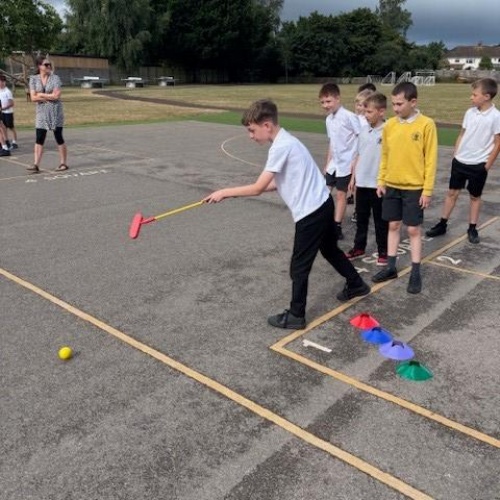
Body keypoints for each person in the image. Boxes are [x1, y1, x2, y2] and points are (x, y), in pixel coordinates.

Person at [203, 99, 370, 329]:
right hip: (323, 205)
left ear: (267, 125)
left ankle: (296, 315)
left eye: (252, 130)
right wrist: (233, 192)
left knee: (299, 267)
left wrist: (224, 192)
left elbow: (258, 188)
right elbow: (276, 183)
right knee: (330, 250)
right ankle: (356, 283)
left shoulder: (281, 147)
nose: (251, 136)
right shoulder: (287, 141)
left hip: (311, 213)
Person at [371, 82, 438, 294]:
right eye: (393, 104)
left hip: (414, 187)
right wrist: (381, 180)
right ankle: (390, 267)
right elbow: (385, 155)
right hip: (392, 184)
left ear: (413, 102)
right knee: (393, 226)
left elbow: (431, 160)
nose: (395, 108)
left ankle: (415, 271)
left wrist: (427, 190)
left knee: (413, 229)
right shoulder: (390, 125)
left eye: (399, 104)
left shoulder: (426, 124)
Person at [426, 78, 500, 244]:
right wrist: (456, 154)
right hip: (460, 161)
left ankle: (472, 228)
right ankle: (442, 224)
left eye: (474, 95)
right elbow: (462, 133)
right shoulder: (469, 112)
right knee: (452, 193)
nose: (471, 97)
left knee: (475, 196)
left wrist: (486, 166)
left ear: (487, 96)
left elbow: (497, 143)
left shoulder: (496, 117)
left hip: (478, 165)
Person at [345, 92, 389, 266]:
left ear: (381, 111)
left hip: (377, 184)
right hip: (362, 182)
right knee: (361, 218)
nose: (365, 115)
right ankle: (359, 247)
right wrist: (353, 178)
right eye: (364, 111)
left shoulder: (388, 130)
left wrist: (384, 181)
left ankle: (383, 250)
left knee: (380, 220)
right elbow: (358, 155)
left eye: (369, 112)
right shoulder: (363, 131)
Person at [319, 83, 361, 240]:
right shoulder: (329, 119)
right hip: (334, 164)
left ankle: (337, 226)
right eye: (323, 102)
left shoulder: (349, 117)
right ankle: (322, 222)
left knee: (341, 195)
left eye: (328, 101)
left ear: (338, 98)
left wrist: (355, 162)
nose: (325, 105)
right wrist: (327, 163)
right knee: (323, 193)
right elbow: (332, 142)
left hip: (347, 164)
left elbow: (360, 138)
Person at [27, 56, 68, 173]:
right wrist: (46, 96)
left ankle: (63, 163)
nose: (49, 66)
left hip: (55, 111)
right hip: (41, 113)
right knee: (39, 137)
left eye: (49, 64)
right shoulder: (33, 79)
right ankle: (36, 164)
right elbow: (33, 98)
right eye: (46, 64)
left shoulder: (55, 78)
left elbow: (56, 96)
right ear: (39, 66)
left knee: (58, 136)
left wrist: (41, 94)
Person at [349, 88, 375, 220]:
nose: (359, 107)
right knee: (355, 185)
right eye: (357, 104)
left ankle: (360, 210)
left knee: (361, 184)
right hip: (353, 154)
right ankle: (358, 208)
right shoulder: (354, 118)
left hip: (363, 155)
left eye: (362, 105)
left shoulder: (367, 121)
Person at [0, 74, 18, 149]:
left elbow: (11, 103)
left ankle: (14, 142)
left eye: (2, 82)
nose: (1, 83)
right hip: (2, 113)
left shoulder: (7, 92)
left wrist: (3, 108)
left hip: (8, 112)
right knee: (3, 128)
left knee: (11, 127)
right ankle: (6, 141)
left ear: (4, 82)